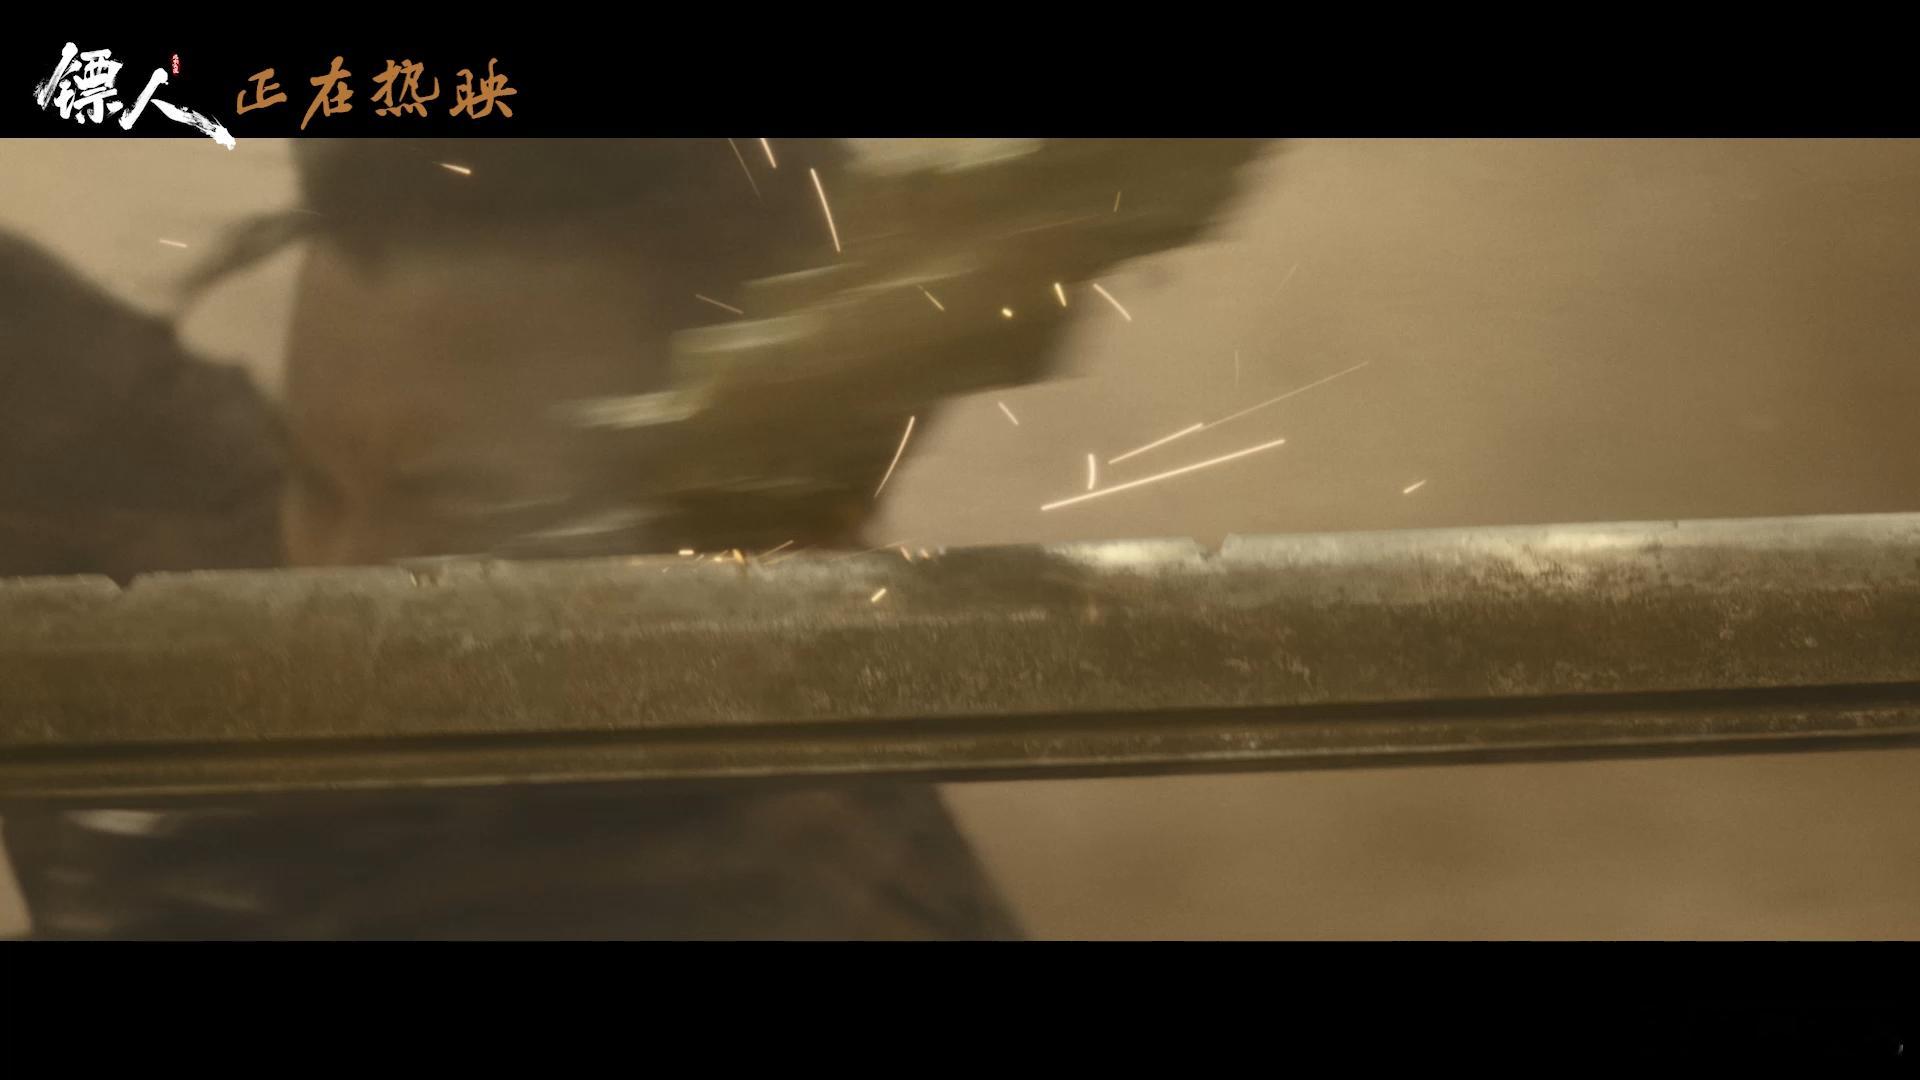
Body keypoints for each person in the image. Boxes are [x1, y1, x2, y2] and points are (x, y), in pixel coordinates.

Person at [2, 138, 1268, 938]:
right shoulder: (198, 545)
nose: (322, 594)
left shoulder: (801, 908)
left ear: (789, 547)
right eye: (315, 483)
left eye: (463, 522)